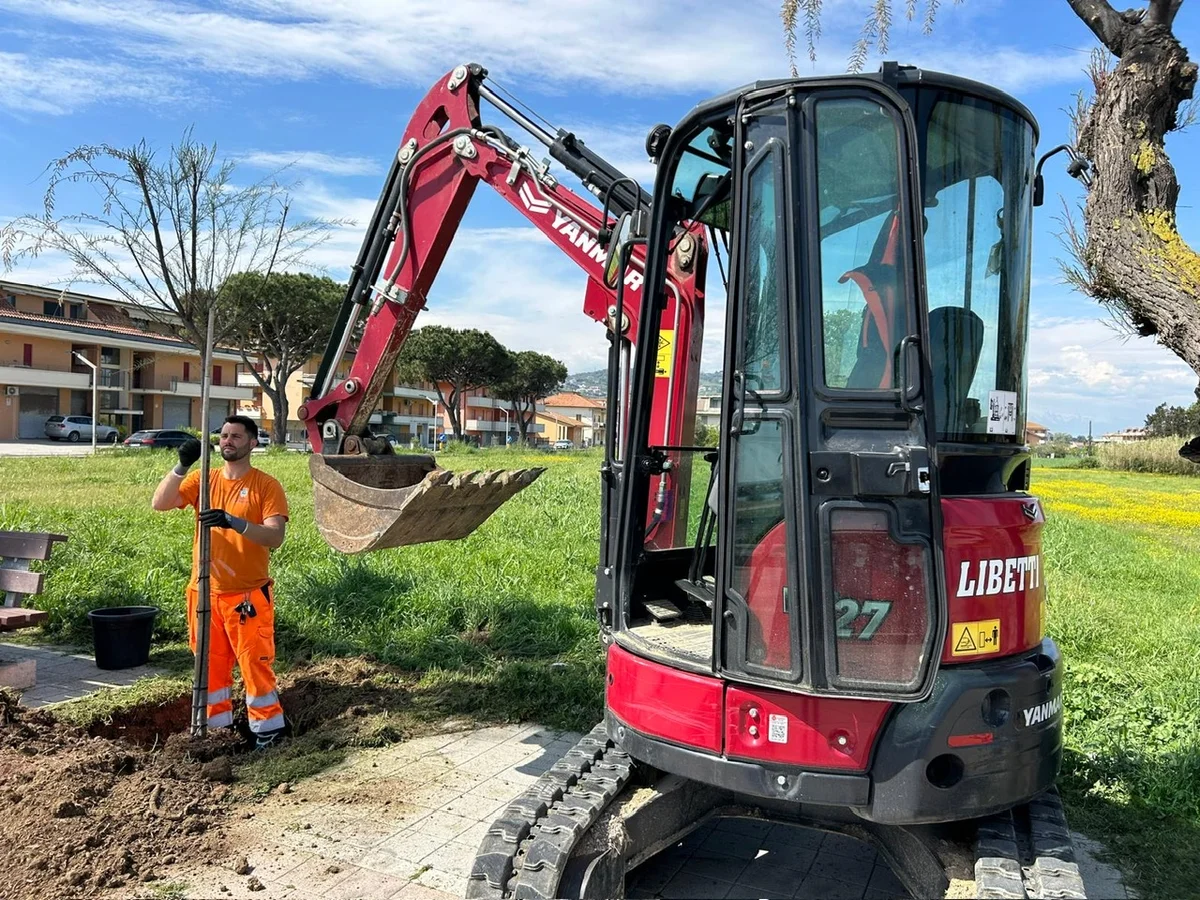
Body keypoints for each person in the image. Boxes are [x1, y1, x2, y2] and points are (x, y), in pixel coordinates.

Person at [151, 415, 289, 749]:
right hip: (204, 594)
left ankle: (268, 733)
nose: (227, 441)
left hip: (247, 596)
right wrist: (181, 466)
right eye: (224, 436)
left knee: (255, 666)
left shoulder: (265, 485)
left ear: (253, 443)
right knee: (209, 669)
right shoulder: (203, 480)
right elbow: (161, 503)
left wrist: (233, 522)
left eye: (236, 436)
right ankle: (216, 732)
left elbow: (275, 536)